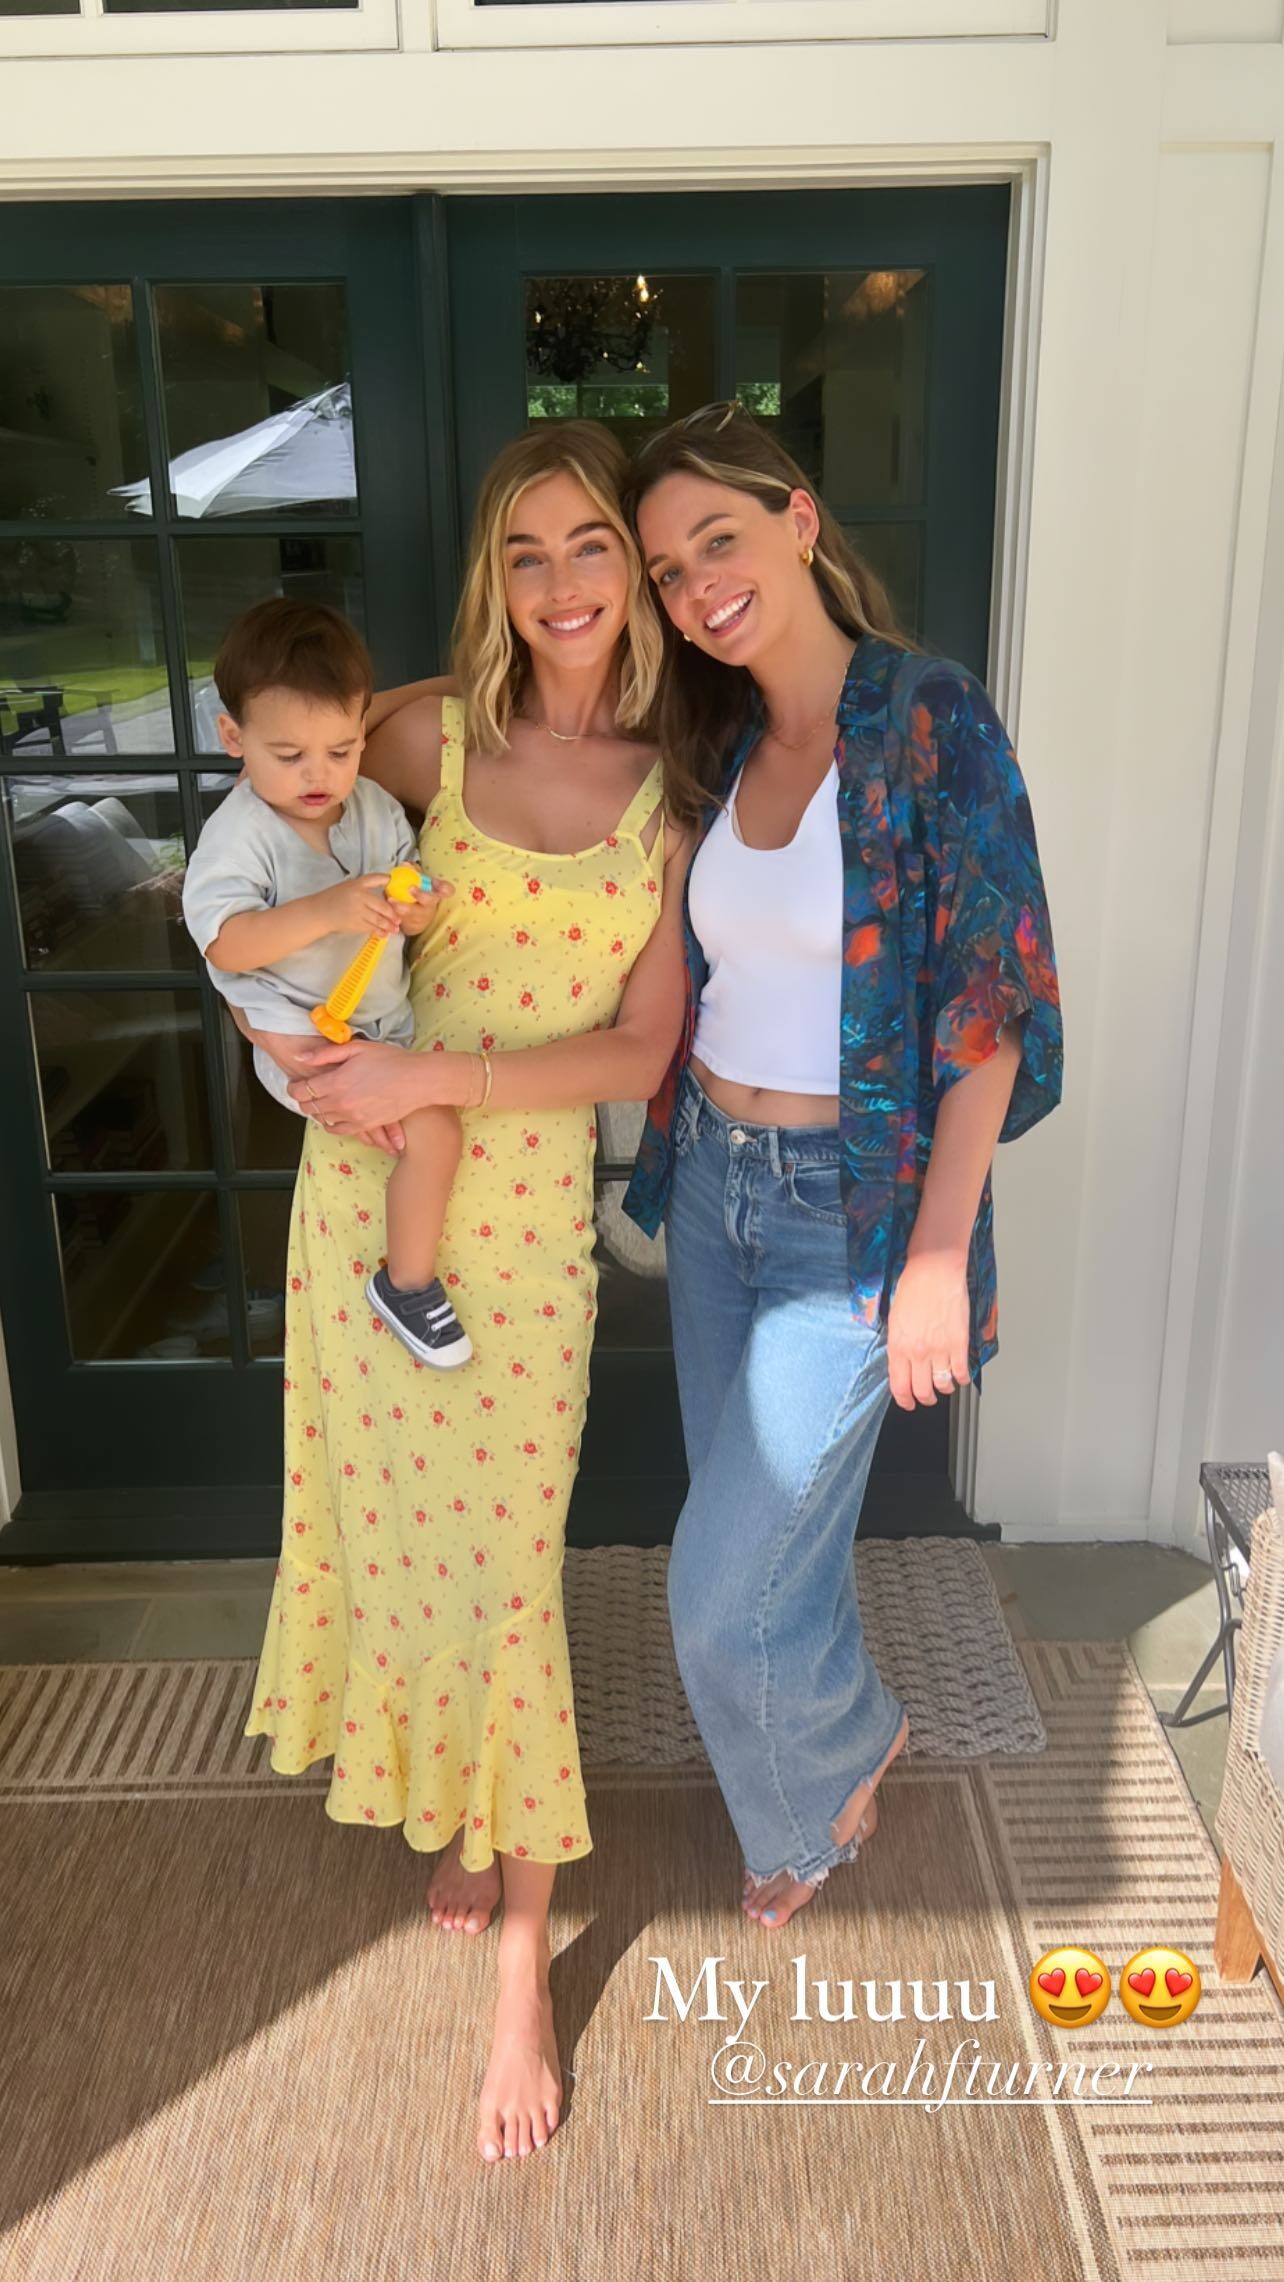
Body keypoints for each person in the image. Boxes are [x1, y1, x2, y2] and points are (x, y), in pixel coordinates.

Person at [236, 424, 693, 2165]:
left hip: (516, 1230)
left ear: (633, 569)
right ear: (493, 574)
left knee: (504, 1574)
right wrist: (280, 1027)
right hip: (365, 1194)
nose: (561, 585)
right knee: (393, 1533)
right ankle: (464, 1811)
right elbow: (274, 818)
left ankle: (521, 1966)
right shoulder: (424, 735)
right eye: (526, 551)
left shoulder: (673, 788)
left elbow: (641, 1050)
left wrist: (446, 1082)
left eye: (591, 547)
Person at [621, 402, 1063, 1935]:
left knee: (713, 1587)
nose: (697, 586)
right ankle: (836, 1740)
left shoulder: (931, 715)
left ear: (799, 519)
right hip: (713, 1187)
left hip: (851, 1214)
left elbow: (992, 999)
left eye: (719, 539)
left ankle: (833, 1757)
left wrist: (935, 1255)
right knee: (767, 1536)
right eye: (667, 570)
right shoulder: (720, 737)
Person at [182, 598, 471, 1367]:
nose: (320, 775)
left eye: (341, 750)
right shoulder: (239, 835)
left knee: (407, 1140)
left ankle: (388, 1269)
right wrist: (326, 909)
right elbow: (226, 943)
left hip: (377, 1024)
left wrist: (416, 907)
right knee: (433, 1131)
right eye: (290, 756)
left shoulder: (371, 806)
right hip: (303, 1035)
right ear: (234, 740)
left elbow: (408, 883)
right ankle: (406, 1284)